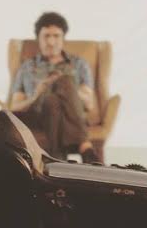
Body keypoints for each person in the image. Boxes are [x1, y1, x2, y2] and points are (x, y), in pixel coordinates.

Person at [10, 12, 99, 162]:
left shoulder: (79, 64)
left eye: (56, 36)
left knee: (56, 96)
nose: (51, 42)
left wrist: (67, 88)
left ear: (63, 38)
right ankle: (85, 146)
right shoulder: (27, 67)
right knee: (58, 88)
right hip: (38, 115)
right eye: (46, 36)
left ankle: (57, 160)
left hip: (65, 115)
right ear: (39, 39)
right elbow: (15, 107)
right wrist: (37, 94)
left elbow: (89, 103)